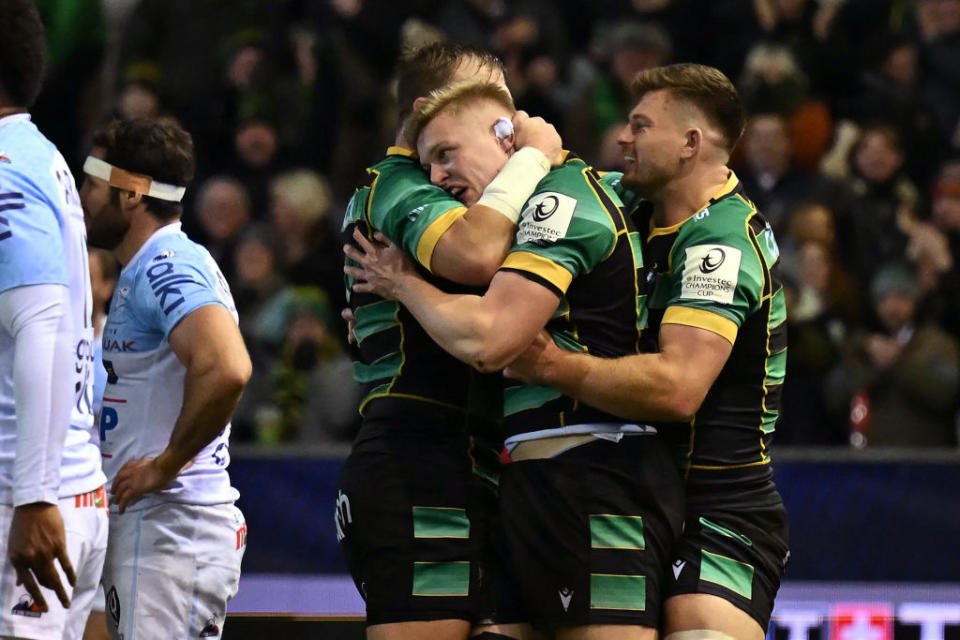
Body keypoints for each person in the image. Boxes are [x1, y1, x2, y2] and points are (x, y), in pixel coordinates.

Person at [345, 79, 684, 639]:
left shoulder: (561, 199)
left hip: (596, 478)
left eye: (446, 154)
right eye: (428, 162)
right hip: (532, 487)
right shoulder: (531, 212)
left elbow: (488, 340)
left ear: (507, 138)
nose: (436, 177)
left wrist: (403, 286)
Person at [503, 64, 790, 640]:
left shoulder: (721, 239)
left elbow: (678, 388)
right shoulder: (621, 204)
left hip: (720, 502)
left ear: (690, 144)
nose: (621, 139)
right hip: (630, 486)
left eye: (640, 126)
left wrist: (549, 365)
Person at [337, 43, 562, 640]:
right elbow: (474, 253)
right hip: (416, 460)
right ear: (425, 110)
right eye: (486, 110)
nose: (507, 122)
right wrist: (534, 159)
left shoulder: (479, 194)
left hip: (479, 461)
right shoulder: (395, 183)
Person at [79, 117, 251, 640]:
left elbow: (227, 367)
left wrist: (165, 466)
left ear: (130, 195)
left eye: (91, 183)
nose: (82, 196)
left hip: (172, 528)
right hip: (154, 533)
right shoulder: (149, 267)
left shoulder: (167, 264)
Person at [0, 1, 108, 637]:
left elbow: (41, 327)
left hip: (31, 503)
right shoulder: (39, 156)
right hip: (60, 489)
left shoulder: (7, 171)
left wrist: (36, 498)